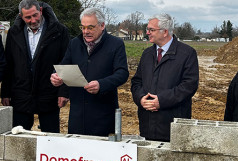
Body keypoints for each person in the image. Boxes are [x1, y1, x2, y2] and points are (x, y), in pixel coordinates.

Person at [50, 8, 129, 136]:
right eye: (83, 27)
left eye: (90, 27)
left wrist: (101, 84)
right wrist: (55, 75)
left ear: (102, 25)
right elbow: (63, 65)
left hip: (103, 114)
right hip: (77, 114)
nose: (85, 32)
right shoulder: (74, 43)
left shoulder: (116, 44)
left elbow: (122, 73)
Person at [1, 0, 69, 133]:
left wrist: (63, 91)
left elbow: (66, 62)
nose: (33, 20)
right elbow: (9, 64)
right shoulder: (14, 33)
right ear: (21, 16)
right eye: (28, 17)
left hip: (49, 94)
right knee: (19, 139)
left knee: (51, 139)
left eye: (35, 15)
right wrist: (5, 92)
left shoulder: (60, 31)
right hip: (21, 95)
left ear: (41, 11)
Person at [131, 13, 199, 142]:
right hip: (148, 124)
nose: (147, 33)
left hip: (173, 126)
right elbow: (136, 82)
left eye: (151, 30)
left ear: (165, 32)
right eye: (147, 29)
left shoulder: (187, 54)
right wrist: (140, 99)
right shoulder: (147, 54)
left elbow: (189, 86)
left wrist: (161, 100)